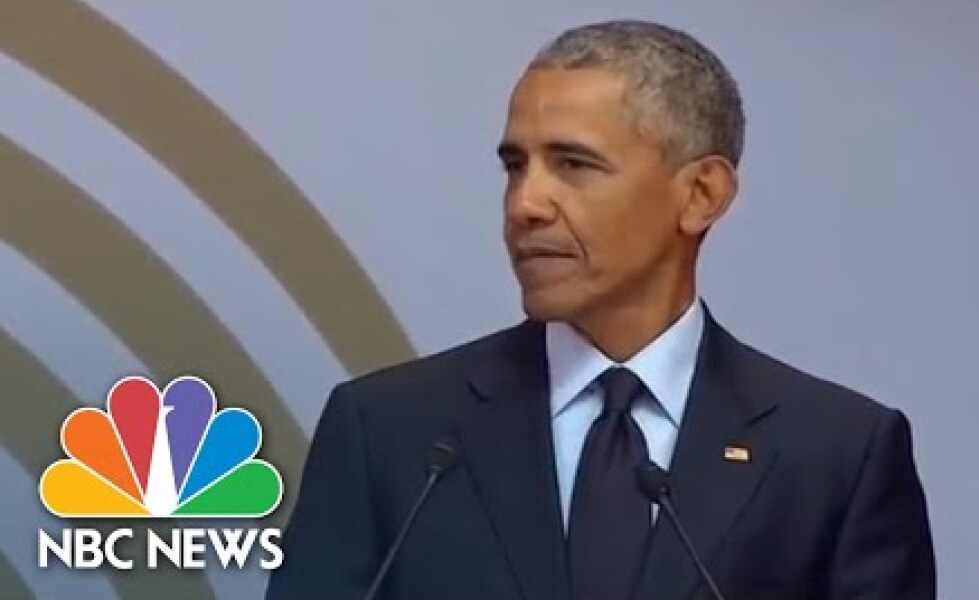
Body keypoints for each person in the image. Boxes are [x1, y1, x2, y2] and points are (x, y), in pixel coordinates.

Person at [266, 19, 936, 600]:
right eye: (515, 166)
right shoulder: (392, 433)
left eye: (574, 165)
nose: (526, 203)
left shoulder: (836, 455)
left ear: (701, 194)